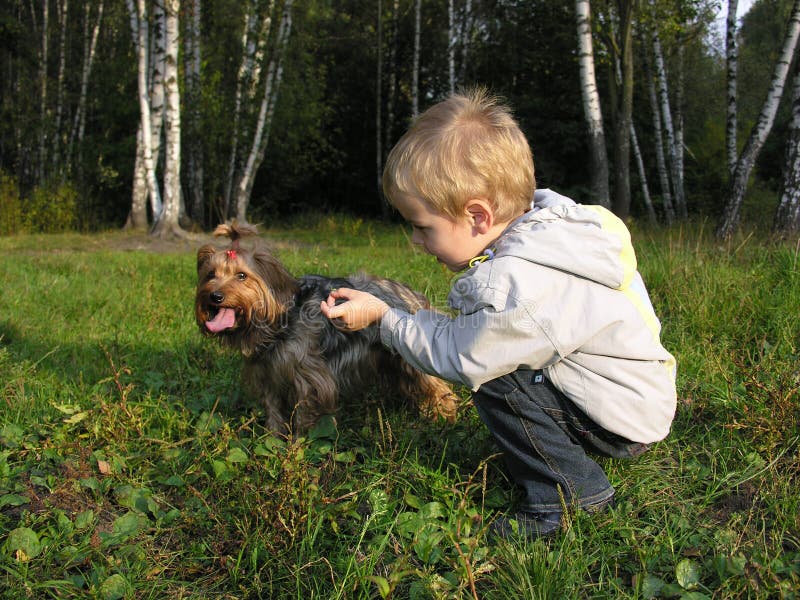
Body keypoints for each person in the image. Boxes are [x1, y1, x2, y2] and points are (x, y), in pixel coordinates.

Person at [320, 88, 677, 540]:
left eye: (421, 227)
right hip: (638, 399)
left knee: (494, 376)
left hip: (618, 420)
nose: (415, 241)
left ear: (477, 217)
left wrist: (383, 318)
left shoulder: (515, 286)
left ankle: (567, 495)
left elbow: (461, 357)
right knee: (498, 356)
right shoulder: (555, 228)